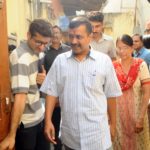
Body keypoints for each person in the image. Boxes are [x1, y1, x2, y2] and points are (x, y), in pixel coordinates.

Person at [40, 17, 122, 150]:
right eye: (71, 36)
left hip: (98, 137)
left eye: (79, 37)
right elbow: (51, 92)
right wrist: (48, 120)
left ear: (90, 37)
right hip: (71, 137)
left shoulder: (104, 61)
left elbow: (111, 95)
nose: (73, 41)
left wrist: (113, 124)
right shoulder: (60, 61)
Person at [0, 19, 52, 150]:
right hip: (27, 123)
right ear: (28, 35)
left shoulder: (38, 52)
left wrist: (41, 81)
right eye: (38, 42)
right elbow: (20, 97)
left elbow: (35, 87)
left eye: (45, 43)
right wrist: (11, 135)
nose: (42, 47)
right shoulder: (20, 57)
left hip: (39, 115)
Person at [113, 34, 150, 150]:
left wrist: (140, 118)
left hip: (137, 114)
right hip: (119, 117)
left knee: (139, 144)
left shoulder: (140, 65)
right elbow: (109, 94)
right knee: (120, 144)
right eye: (119, 48)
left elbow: (147, 93)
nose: (122, 51)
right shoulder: (113, 67)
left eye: (125, 48)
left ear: (132, 48)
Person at [44, 25, 70, 150]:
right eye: (52, 33)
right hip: (52, 95)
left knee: (67, 123)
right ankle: (57, 147)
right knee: (54, 122)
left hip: (67, 93)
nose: (55, 35)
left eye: (57, 32)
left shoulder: (68, 50)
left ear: (61, 35)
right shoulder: (44, 52)